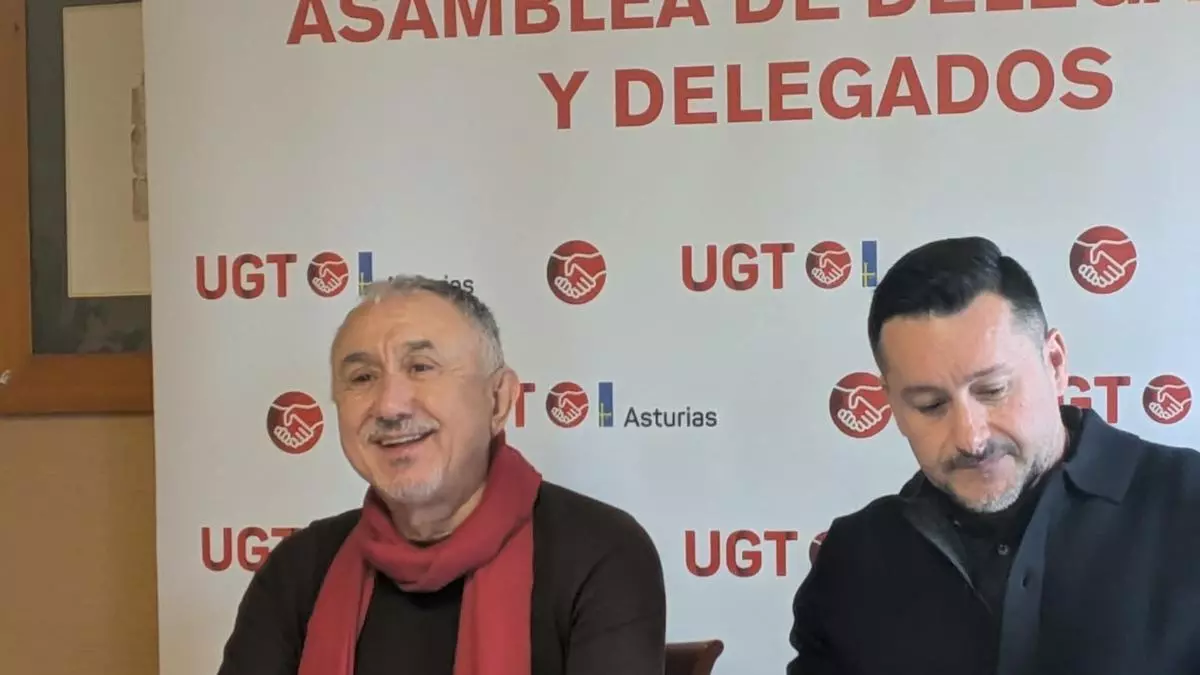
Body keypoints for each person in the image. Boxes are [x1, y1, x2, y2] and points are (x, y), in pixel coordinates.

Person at [786, 236, 1200, 675]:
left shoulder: (1187, 504)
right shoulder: (855, 557)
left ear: (1055, 363)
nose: (971, 438)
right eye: (930, 405)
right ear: (891, 403)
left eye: (993, 390)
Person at [216, 275, 667, 675]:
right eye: (362, 377)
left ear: (499, 400)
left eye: (421, 368)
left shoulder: (598, 552)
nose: (389, 406)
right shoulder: (300, 569)